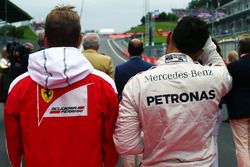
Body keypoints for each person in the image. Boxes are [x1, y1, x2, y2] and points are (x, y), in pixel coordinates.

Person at [5, 5, 119, 167]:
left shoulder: (19, 86)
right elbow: (111, 143)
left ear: (45, 39)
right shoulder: (104, 85)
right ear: (80, 40)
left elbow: (13, 144)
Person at [113, 16, 232, 166]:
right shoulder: (217, 77)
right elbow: (219, 64)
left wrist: (155, 142)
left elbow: (125, 144)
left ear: (169, 37)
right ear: (201, 52)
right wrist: (205, 38)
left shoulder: (137, 83)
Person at [224, 36, 250, 167]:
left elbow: (225, 87)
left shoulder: (233, 67)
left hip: (238, 110)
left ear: (240, 50)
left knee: (242, 146)